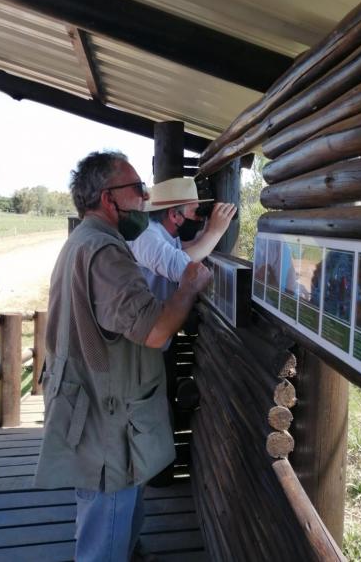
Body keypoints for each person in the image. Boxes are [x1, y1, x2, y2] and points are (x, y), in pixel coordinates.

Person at [34, 152, 211, 562]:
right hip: (106, 418)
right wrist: (188, 286)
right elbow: (155, 331)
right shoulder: (106, 253)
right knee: (105, 531)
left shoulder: (84, 240)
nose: (145, 197)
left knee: (113, 517)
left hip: (91, 406)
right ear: (108, 198)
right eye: (136, 189)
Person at [129, 177, 236, 408]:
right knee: (149, 414)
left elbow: (186, 248)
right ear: (174, 215)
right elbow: (182, 267)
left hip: (153, 341)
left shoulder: (164, 235)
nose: (198, 217)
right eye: (195, 211)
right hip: (140, 350)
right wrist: (216, 232)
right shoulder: (147, 236)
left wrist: (208, 229)